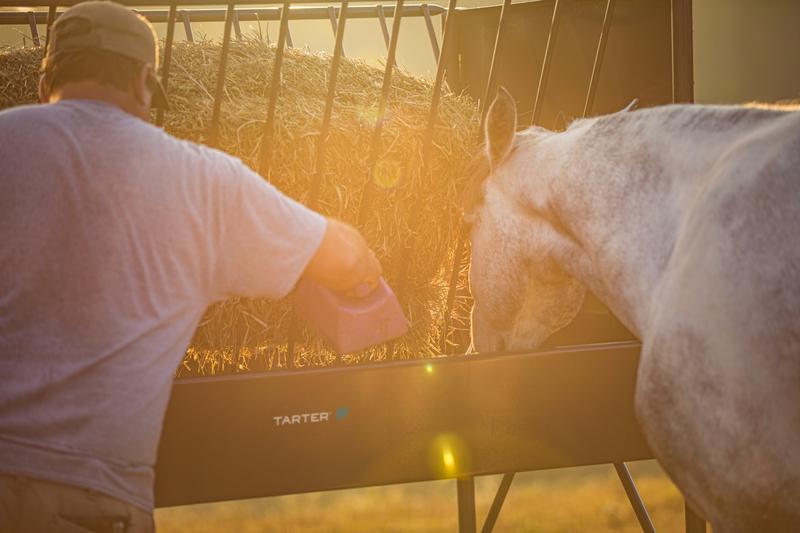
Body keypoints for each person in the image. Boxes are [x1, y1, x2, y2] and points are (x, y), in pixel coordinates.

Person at [0, 2, 382, 531]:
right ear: (144, 82)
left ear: (44, 84)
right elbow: (348, 261)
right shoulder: (202, 183)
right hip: (89, 502)